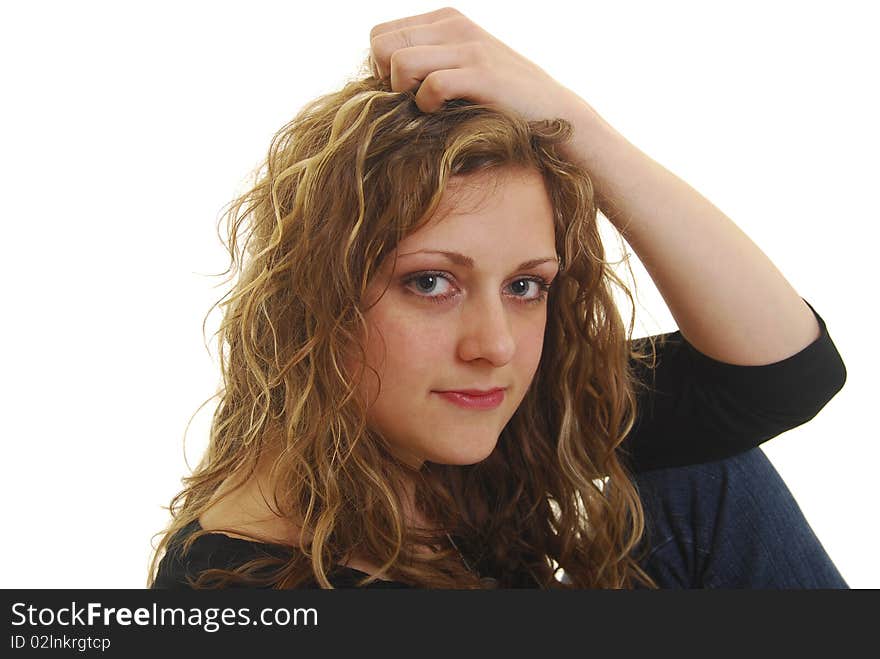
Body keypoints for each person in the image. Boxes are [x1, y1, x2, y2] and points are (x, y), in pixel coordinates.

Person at [148, 7, 848, 590]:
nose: (495, 345)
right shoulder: (238, 585)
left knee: (710, 475)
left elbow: (786, 373)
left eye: (524, 285)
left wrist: (576, 125)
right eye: (430, 281)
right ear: (315, 298)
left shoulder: (475, 433)